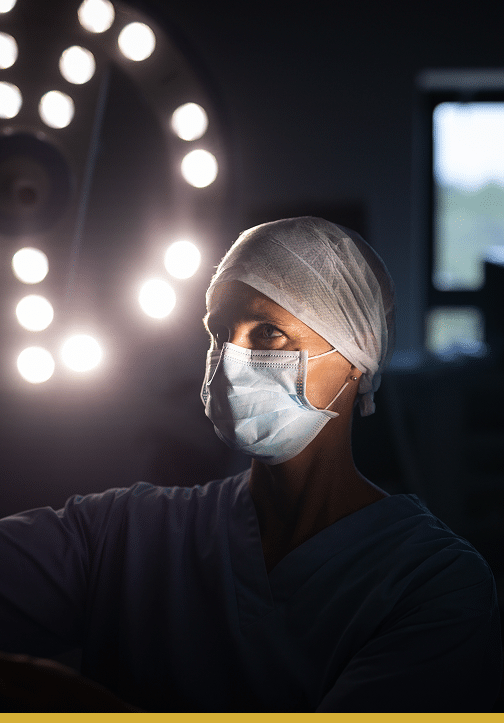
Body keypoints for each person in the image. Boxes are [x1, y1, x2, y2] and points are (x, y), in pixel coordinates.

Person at [0, 216, 501, 712]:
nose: (231, 359)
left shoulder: (434, 585)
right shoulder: (126, 536)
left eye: (268, 332)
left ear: (355, 355)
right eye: (220, 333)